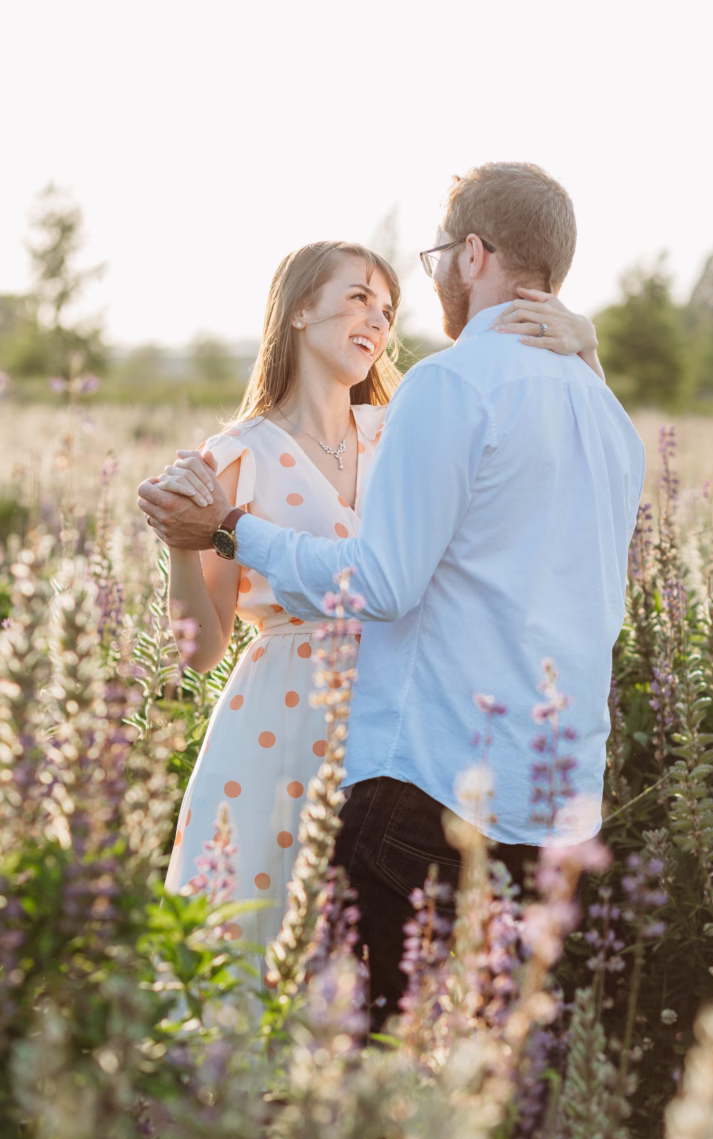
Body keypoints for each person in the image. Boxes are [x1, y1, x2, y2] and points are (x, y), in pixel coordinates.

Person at [139, 162, 646, 1031]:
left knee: (365, 1053)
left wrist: (232, 531)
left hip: (425, 770)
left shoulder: (447, 389)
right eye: (357, 298)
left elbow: (380, 583)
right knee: (492, 1056)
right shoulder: (609, 415)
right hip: (542, 790)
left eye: (435, 259)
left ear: (474, 254)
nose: (397, 304)